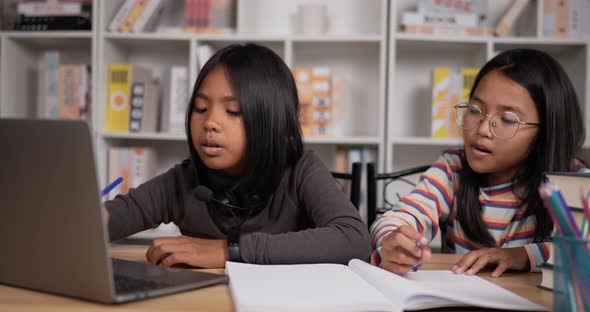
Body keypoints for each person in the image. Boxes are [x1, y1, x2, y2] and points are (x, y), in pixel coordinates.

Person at [104, 43, 371, 268]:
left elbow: (354, 239)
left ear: (270, 121)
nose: (210, 122)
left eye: (232, 111)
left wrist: (228, 251)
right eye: (200, 108)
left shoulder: (302, 170)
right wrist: (84, 217)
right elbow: (109, 219)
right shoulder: (183, 180)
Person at [370, 48, 587, 277]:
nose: (482, 129)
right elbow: (400, 217)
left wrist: (523, 255)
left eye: (507, 119)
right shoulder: (453, 169)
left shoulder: (573, 179)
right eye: (475, 110)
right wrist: (392, 240)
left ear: (546, 131)